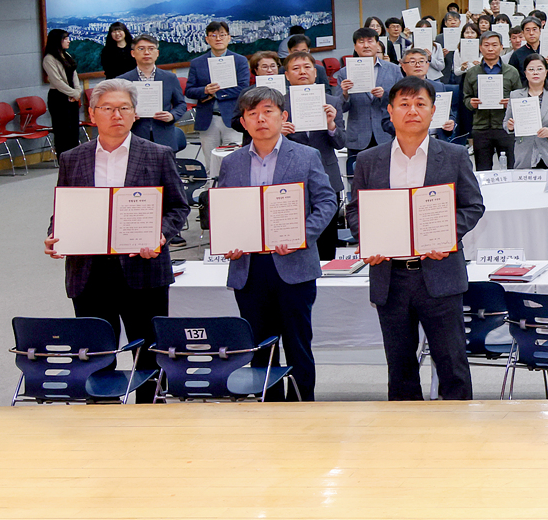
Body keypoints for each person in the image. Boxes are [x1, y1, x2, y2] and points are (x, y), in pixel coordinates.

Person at [42, 78, 192, 402]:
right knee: (96, 354)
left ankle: (151, 418)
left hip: (144, 270)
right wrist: (55, 234)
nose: (116, 115)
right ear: (92, 114)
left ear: (135, 114)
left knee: (149, 354)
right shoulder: (73, 158)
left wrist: (161, 235)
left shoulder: (157, 154)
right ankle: (102, 419)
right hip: (88, 272)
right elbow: (64, 209)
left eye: (124, 108)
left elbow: (179, 206)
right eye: (107, 108)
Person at [346, 76, 486, 401]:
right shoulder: (369, 161)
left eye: (420, 104)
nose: (412, 110)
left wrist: (445, 236)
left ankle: (459, 436)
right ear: (390, 112)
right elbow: (355, 211)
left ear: (433, 111)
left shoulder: (453, 156)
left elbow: (473, 205)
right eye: (404, 104)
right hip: (390, 277)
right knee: (400, 369)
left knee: (452, 365)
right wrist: (369, 240)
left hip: (439, 275)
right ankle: (404, 442)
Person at [211, 87, 338, 400]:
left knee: (298, 346)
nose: (260, 119)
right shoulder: (233, 162)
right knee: (259, 348)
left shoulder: (306, 155)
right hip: (249, 268)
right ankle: (269, 409)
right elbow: (225, 209)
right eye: (252, 114)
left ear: (284, 117)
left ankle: (301, 408)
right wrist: (229, 239)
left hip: (294, 265)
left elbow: (326, 202)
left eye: (268, 111)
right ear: (243, 122)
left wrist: (301, 236)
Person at [281, 51, 347, 257]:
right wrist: (278, 133)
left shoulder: (332, 102)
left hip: (327, 176)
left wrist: (331, 125)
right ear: (287, 75)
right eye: (296, 68)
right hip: (289, 178)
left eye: (307, 67)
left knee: (327, 240)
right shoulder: (277, 105)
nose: (302, 72)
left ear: (315, 72)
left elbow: (341, 142)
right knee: (292, 238)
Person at [184, 20, 251, 177]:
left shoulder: (239, 60)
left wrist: (215, 94)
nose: (218, 38)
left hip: (232, 118)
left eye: (222, 35)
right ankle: (210, 196)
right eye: (213, 35)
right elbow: (189, 91)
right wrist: (204, 90)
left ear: (229, 38)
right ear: (207, 39)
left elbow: (243, 88)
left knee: (234, 162)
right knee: (211, 164)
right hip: (208, 119)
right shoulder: (197, 63)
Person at [338, 27, 404, 168]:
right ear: (355, 47)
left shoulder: (393, 69)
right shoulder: (344, 73)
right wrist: (344, 94)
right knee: (359, 179)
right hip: (358, 135)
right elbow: (341, 108)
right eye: (361, 42)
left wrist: (385, 95)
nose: (366, 45)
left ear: (377, 44)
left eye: (370, 41)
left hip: (386, 133)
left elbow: (402, 101)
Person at [115, 35, 186, 153]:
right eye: (141, 49)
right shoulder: (123, 80)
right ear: (133, 53)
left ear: (157, 53)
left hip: (165, 137)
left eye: (151, 48)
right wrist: (127, 115)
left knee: (165, 171)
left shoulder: (170, 78)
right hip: (135, 135)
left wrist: (172, 115)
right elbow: (117, 108)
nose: (146, 52)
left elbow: (181, 104)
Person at [461, 33, 518, 171]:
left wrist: (510, 103)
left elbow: (520, 98)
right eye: (486, 45)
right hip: (481, 128)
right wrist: (471, 103)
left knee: (511, 168)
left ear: (501, 47)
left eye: (494, 45)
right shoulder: (472, 72)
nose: (490, 49)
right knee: (482, 170)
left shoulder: (512, 72)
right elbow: (466, 97)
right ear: (480, 48)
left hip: (505, 127)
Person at [506, 54, 548, 169]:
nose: (535, 73)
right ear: (525, 73)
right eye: (531, 69)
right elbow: (506, 123)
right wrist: (510, 126)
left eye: (539, 69)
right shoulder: (515, 95)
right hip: (525, 154)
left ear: (546, 72)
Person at [41, 28, 83, 154]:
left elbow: (74, 73)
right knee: (62, 131)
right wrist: (73, 93)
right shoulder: (49, 59)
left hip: (72, 97)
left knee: (73, 130)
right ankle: (64, 159)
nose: (68, 41)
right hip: (59, 98)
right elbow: (56, 81)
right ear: (57, 41)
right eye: (65, 39)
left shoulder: (66, 55)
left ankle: (75, 157)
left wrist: (77, 91)